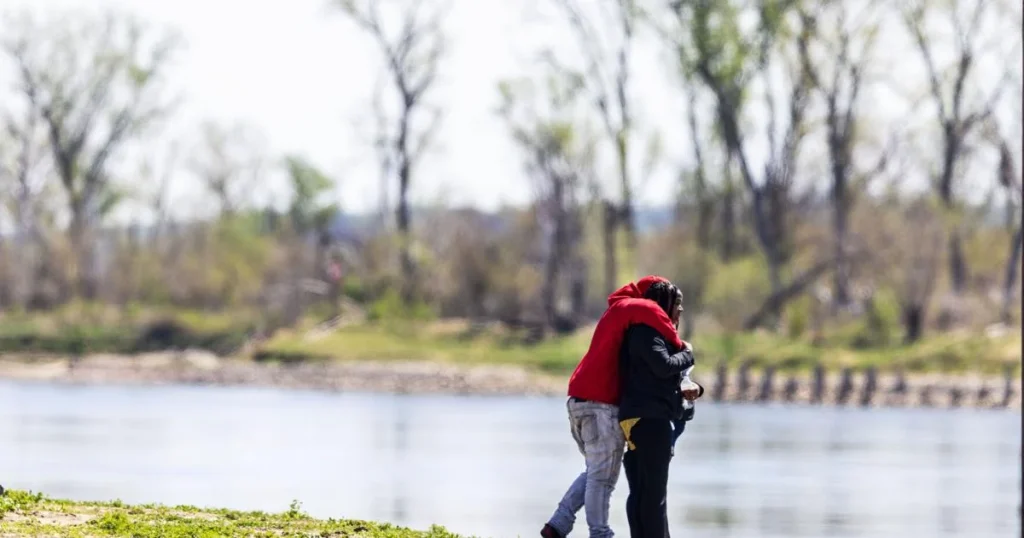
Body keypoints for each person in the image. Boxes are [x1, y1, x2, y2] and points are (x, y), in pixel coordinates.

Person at [541, 276, 687, 538]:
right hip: (600, 403)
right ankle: (600, 534)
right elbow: (656, 315)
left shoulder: (618, 311)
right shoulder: (634, 307)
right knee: (602, 478)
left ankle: (558, 524)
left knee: (597, 470)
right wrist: (681, 348)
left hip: (579, 399)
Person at [617, 282, 697, 538]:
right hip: (650, 421)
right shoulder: (648, 332)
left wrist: (694, 389)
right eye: (677, 303)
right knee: (654, 496)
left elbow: (663, 377)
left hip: (641, 419)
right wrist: (688, 353)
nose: (680, 309)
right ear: (663, 304)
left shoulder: (649, 333)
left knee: (642, 493)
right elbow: (664, 366)